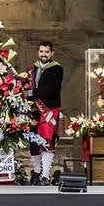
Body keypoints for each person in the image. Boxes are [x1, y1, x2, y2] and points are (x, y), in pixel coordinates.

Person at [27, 41, 63, 185]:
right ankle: (36, 172)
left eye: (47, 52)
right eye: (41, 51)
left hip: (49, 110)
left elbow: (49, 89)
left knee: (47, 142)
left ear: (52, 53)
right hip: (34, 111)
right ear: (38, 52)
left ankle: (45, 175)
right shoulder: (32, 69)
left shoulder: (57, 69)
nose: (44, 54)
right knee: (34, 142)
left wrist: (30, 92)